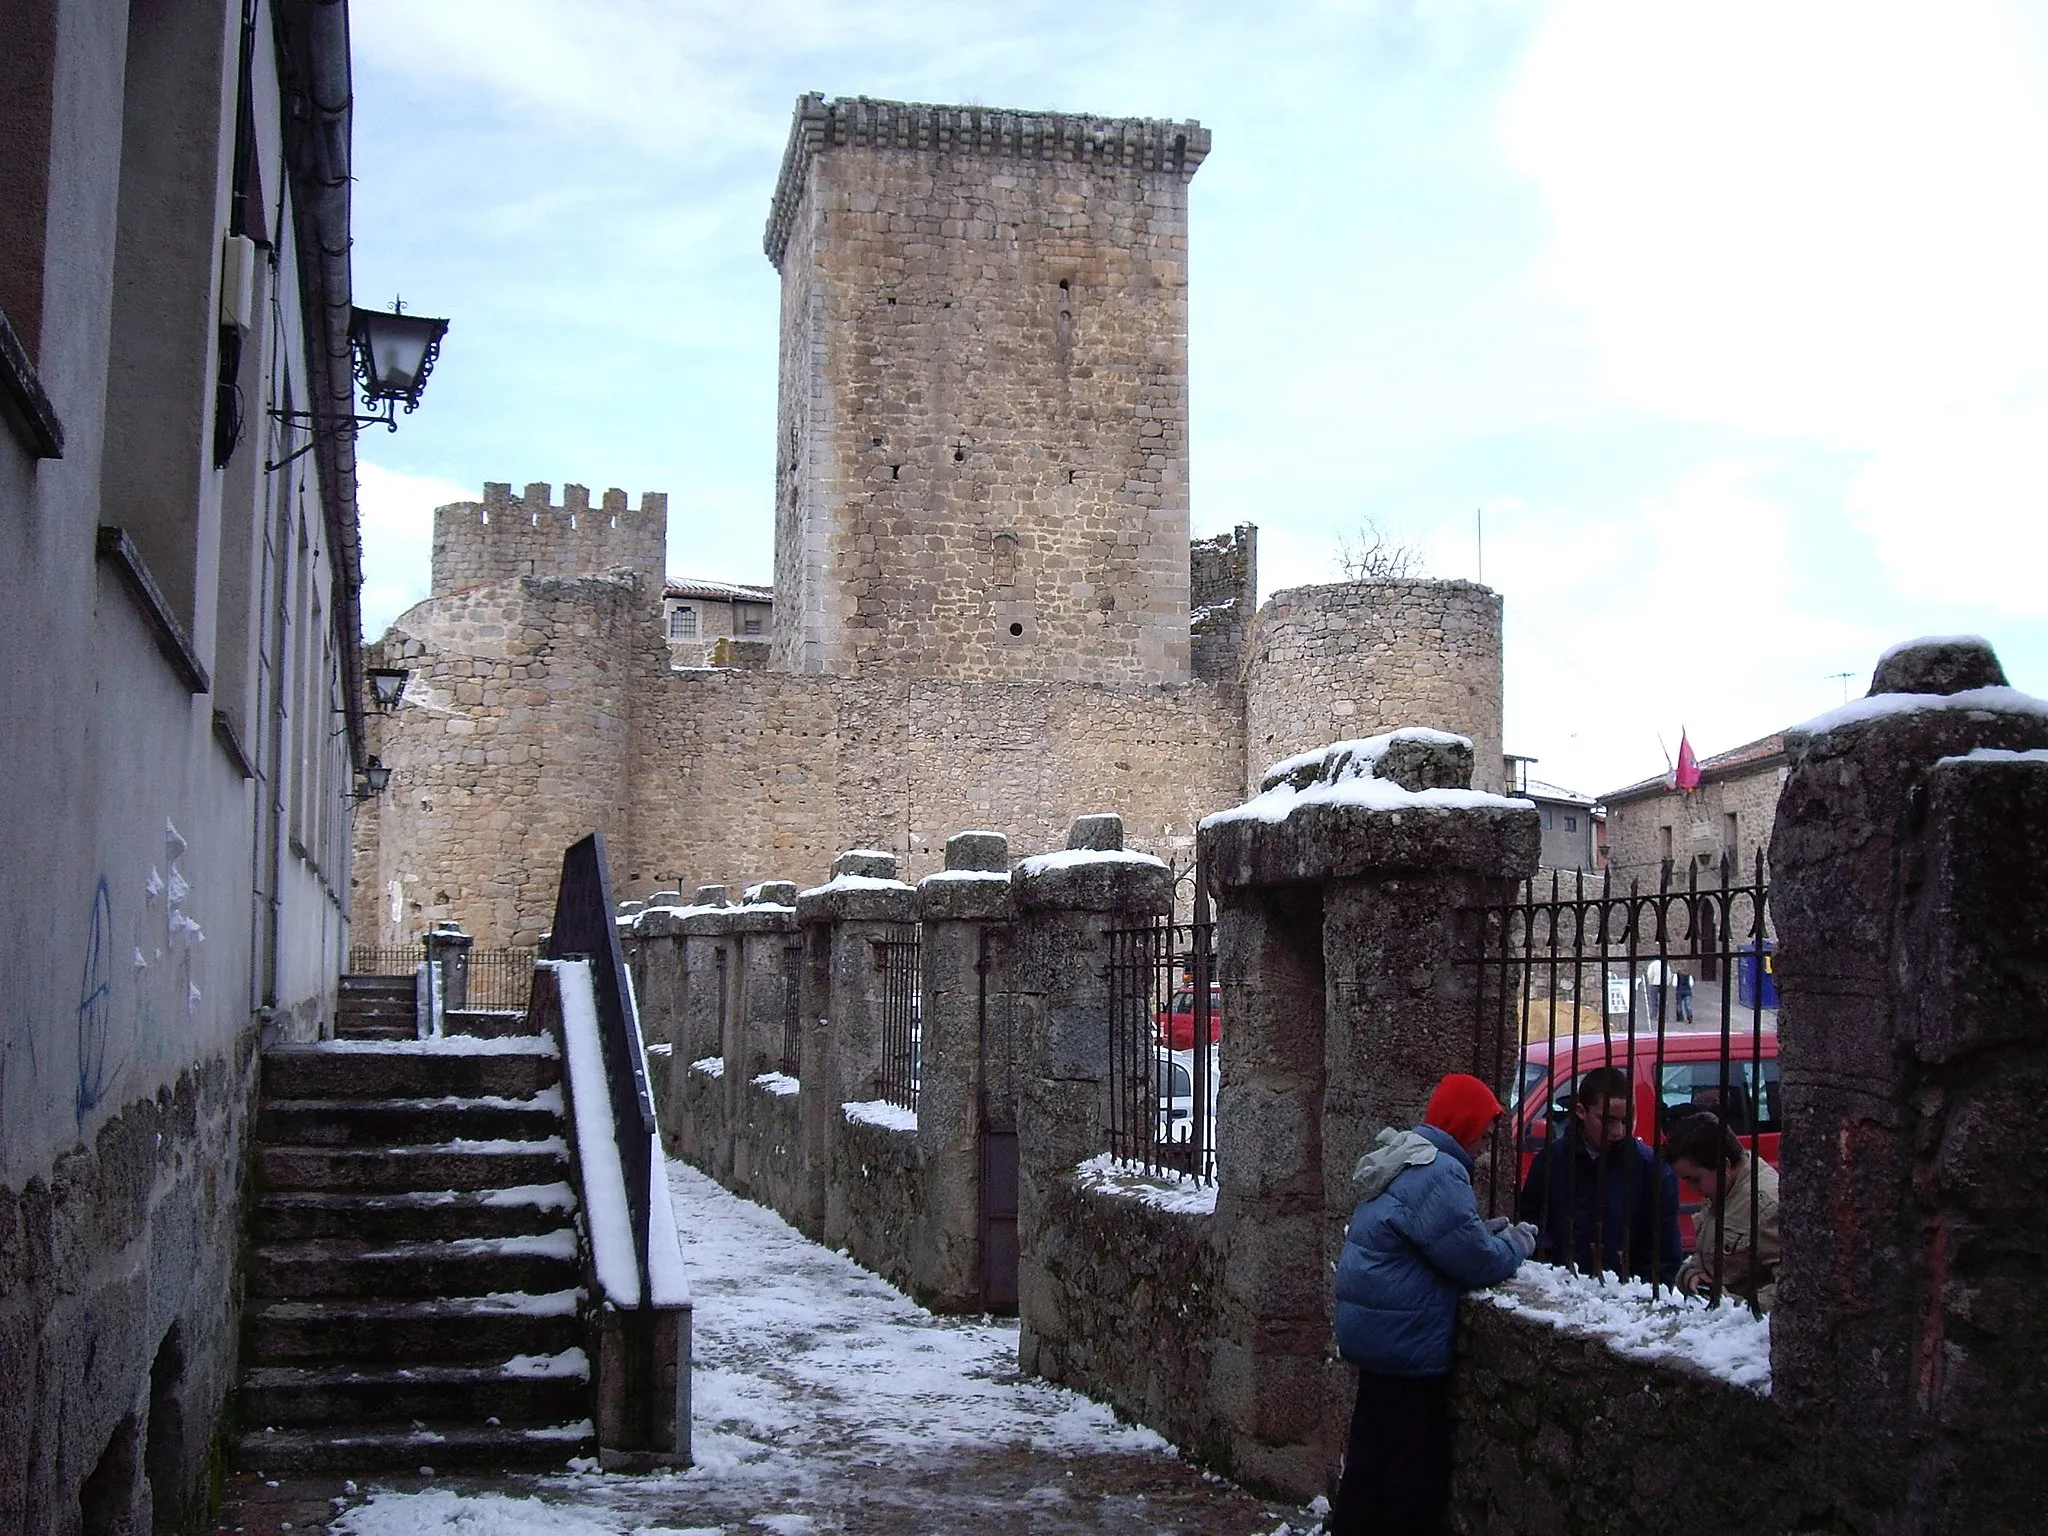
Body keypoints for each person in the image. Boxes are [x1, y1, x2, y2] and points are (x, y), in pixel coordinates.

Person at [1329, 1073, 1537, 1536]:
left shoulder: (1408, 1155)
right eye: (1483, 1134)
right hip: (1405, 1347)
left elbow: (1441, 1233)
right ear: (1464, 1125)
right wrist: (1519, 1243)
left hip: (1376, 1335)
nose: (1485, 1147)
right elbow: (1476, 1261)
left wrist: (1485, 1229)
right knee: (1414, 1473)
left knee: (1369, 1462)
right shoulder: (1439, 1172)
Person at [1516, 1065, 1683, 1285]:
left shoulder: (1651, 1170)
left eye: (1626, 1120)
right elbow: (1533, 1228)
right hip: (1561, 1292)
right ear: (1581, 1111)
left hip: (1626, 1301)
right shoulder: (1551, 1161)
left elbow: (1663, 1252)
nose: (1618, 1131)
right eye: (1608, 1120)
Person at [1665, 1112, 1781, 1311]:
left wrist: (1735, 1305)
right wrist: (1692, 1277)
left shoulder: (1765, 1206)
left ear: (1724, 1165)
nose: (1692, 1189)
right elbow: (1701, 1259)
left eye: (1694, 1179)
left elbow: (1794, 1289)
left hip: (1749, 1332)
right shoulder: (1722, 1190)